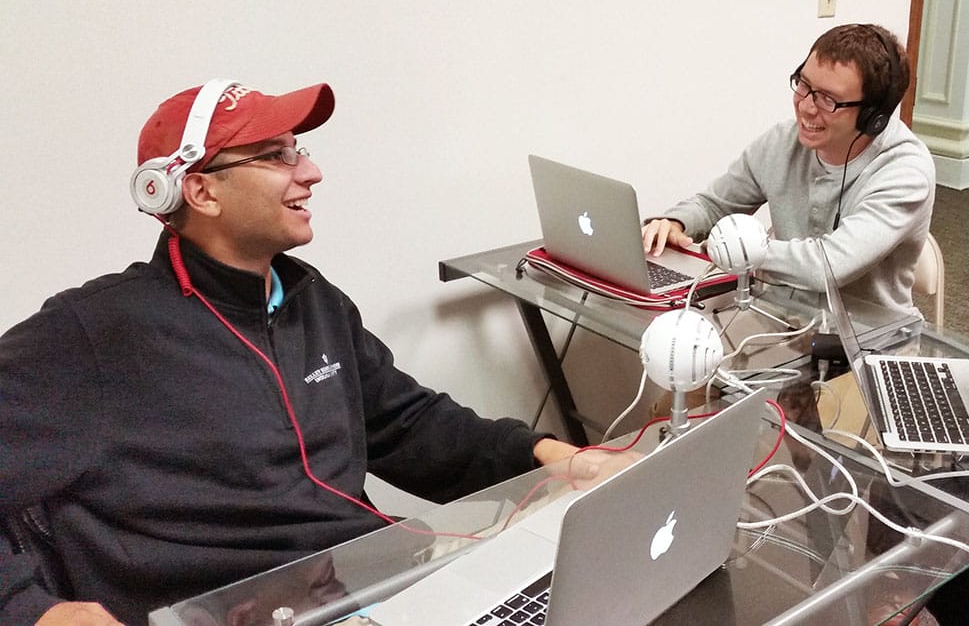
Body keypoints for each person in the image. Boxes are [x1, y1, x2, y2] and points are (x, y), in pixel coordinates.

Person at [0, 81, 592, 625]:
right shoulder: (97, 333)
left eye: (298, 148)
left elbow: (404, 424)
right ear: (200, 190)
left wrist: (552, 459)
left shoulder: (312, 299)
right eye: (278, 155)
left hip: (379, 584)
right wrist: (34, 611)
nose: (310, 171)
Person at [641, 23, 936, 314]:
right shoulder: (782, 141)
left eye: (828, 99)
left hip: (869, 344)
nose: (806, 107)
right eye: (804, 85)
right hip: (782, 323)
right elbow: (713, 205)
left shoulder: (906, 170)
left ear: (873, 117)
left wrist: (731, 249)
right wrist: (675, 223)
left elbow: (828, 266)